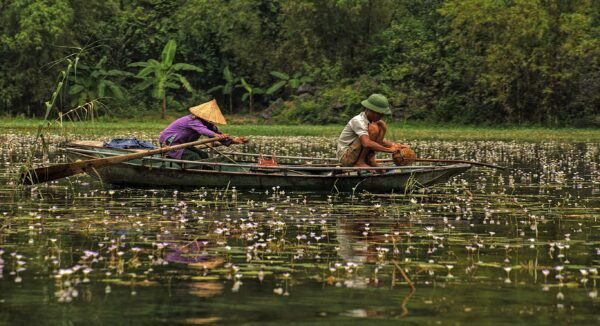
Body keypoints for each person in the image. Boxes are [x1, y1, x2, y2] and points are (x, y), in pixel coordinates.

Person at [159, 99, 248, 160]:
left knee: (203, 155)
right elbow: (203, 130)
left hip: (182, 144)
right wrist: (216, 136)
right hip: (170, 143)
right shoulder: (192, 120)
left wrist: (233, 141)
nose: (210, 120)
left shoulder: (207, 123)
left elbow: (217, 132)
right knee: (193, 157)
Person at [336, 93, 407, 167]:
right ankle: (360, 162)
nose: (381, 117)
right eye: (379, 114)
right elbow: (366, 143)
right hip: (346, 157)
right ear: (371, 110)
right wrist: (389, 150)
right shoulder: (358, 121)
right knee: (373, 129)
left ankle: (370, 160)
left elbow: (378, 142)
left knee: (381, 125)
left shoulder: (373, 122)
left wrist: (395, 146)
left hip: (355, 153)